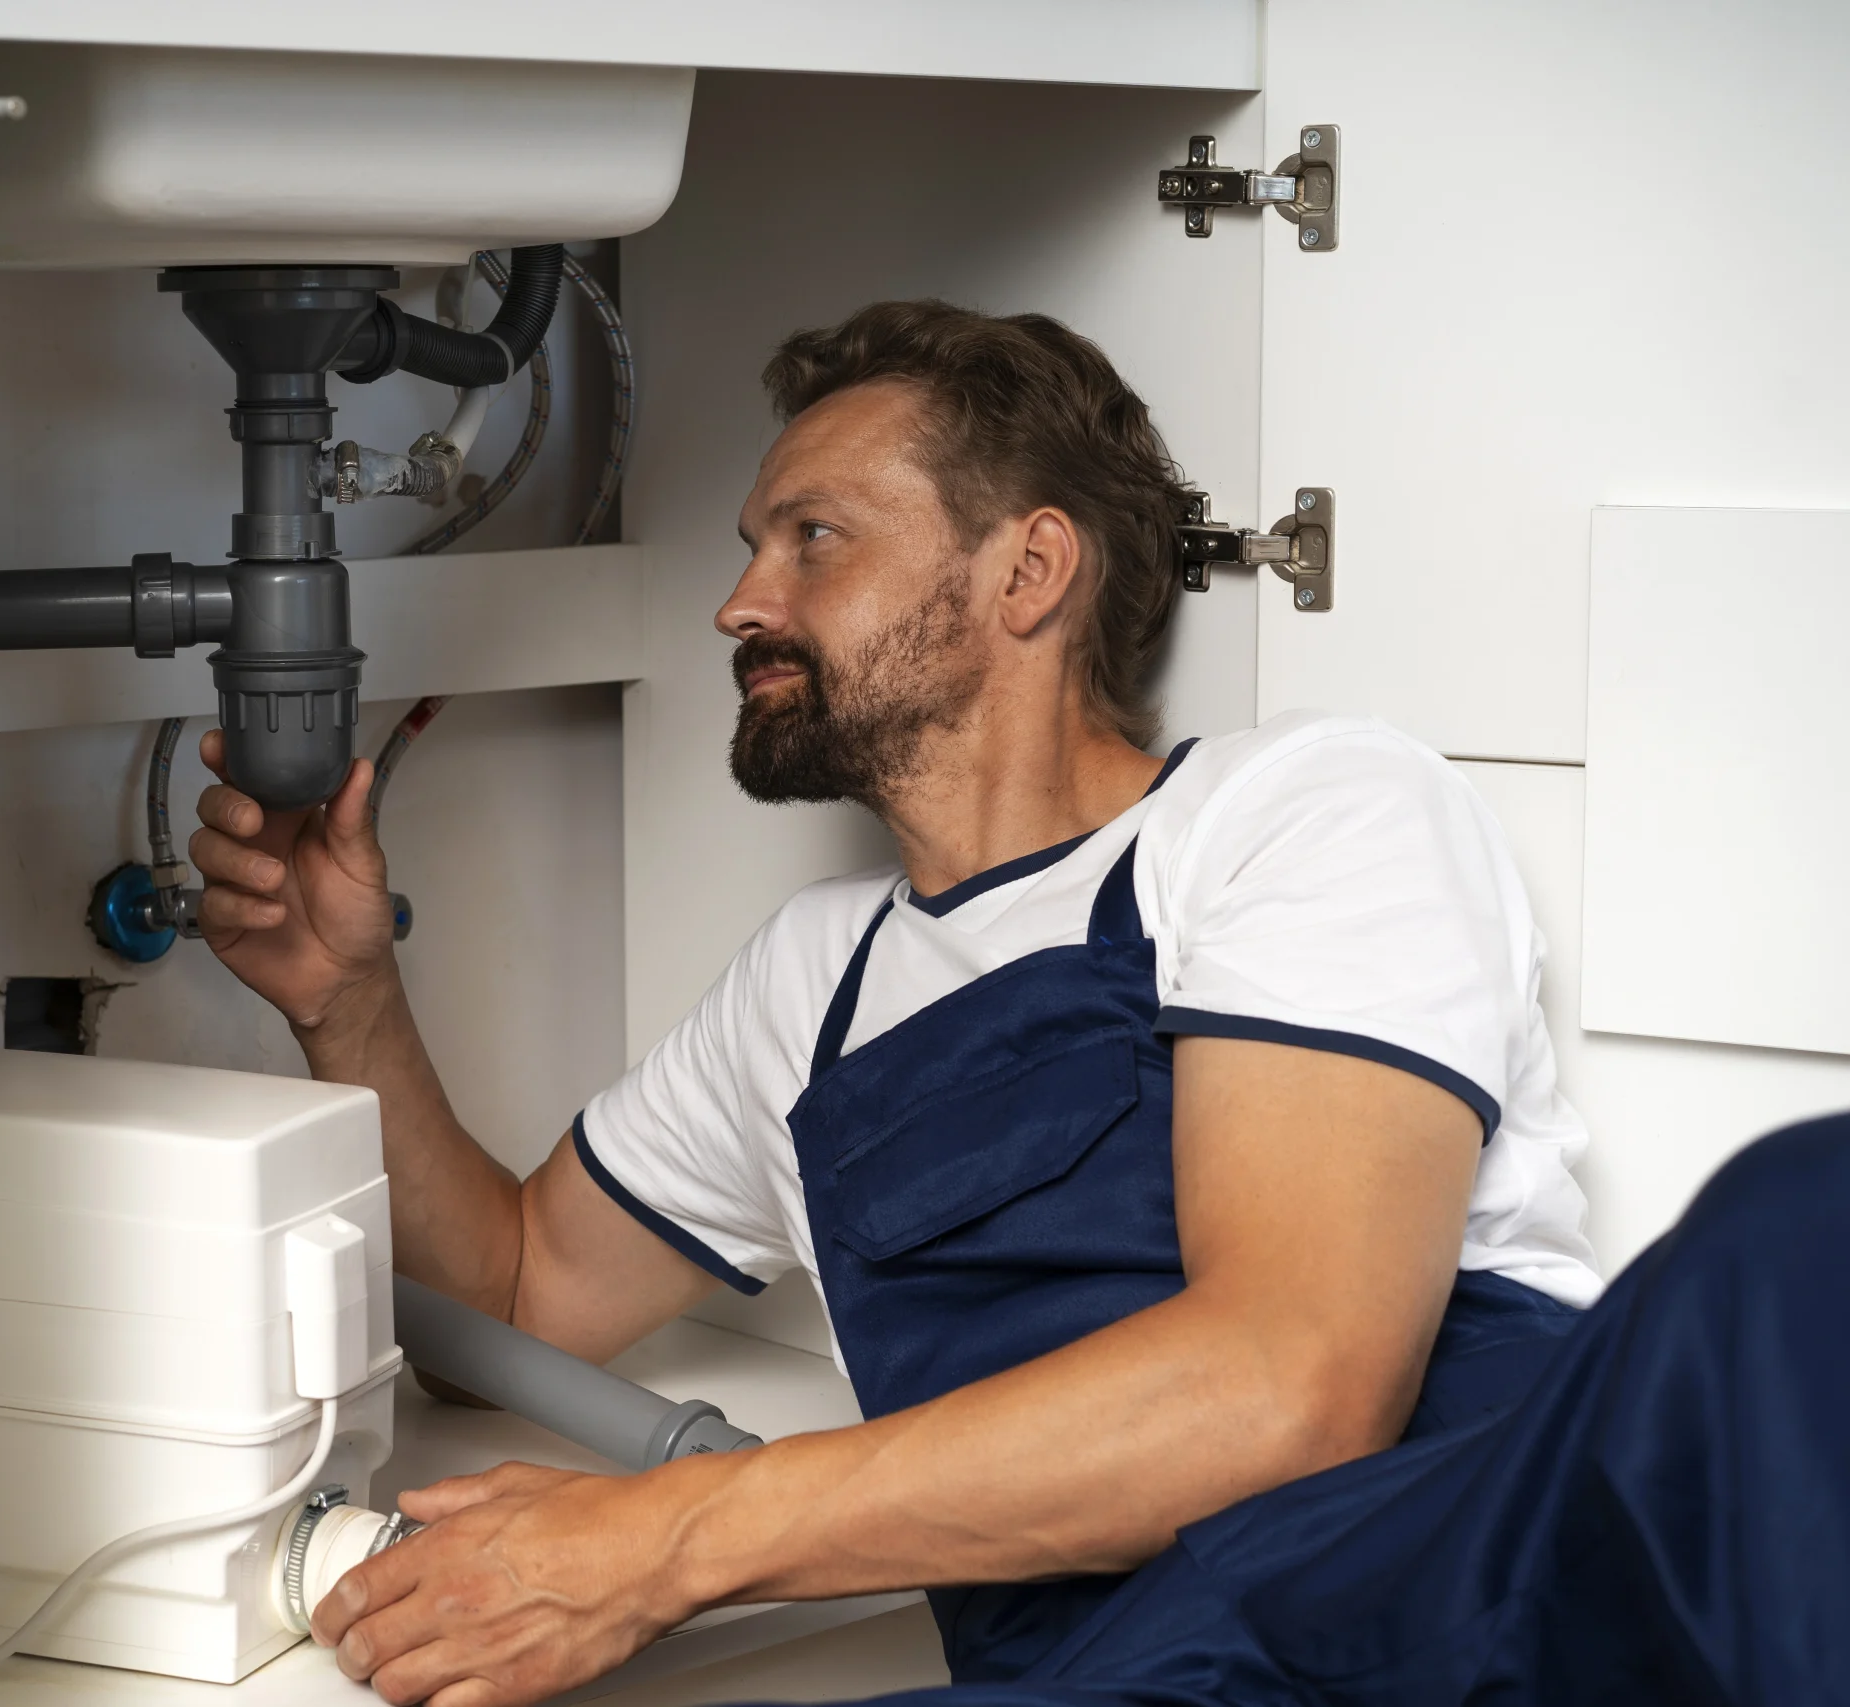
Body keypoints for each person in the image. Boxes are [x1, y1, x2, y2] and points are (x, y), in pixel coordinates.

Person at [184, 303, 1849, 1707]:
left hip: (1468, 1571)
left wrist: (666, 1540)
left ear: (1028, 569)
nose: (741, 601)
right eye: (753, 547)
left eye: (812, 537)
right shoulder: (806, 984)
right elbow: (522, 1292)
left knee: (1804, 1216)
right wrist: (350, 1004)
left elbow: (1295, 1382)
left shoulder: (1298, 814)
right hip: (1121, 1666)